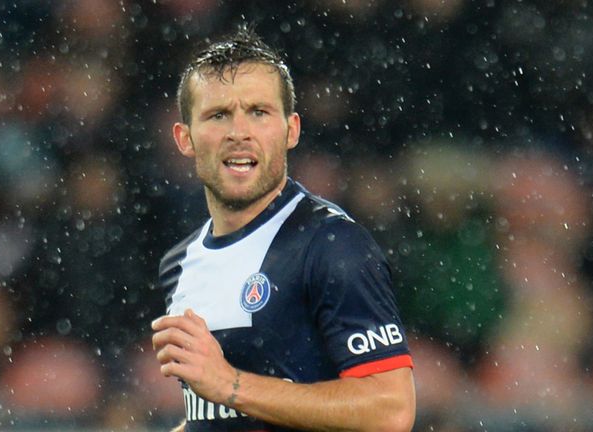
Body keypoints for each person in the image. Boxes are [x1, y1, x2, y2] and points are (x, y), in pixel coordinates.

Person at [151, 28, 415, 432]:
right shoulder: (179, 263)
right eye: (218, 115)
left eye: (258, 112)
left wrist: (230, 383)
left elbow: (390, 410)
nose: (239, 133)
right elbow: (219, 417)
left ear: (291, 130)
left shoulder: (332, 246)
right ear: (184, 138)